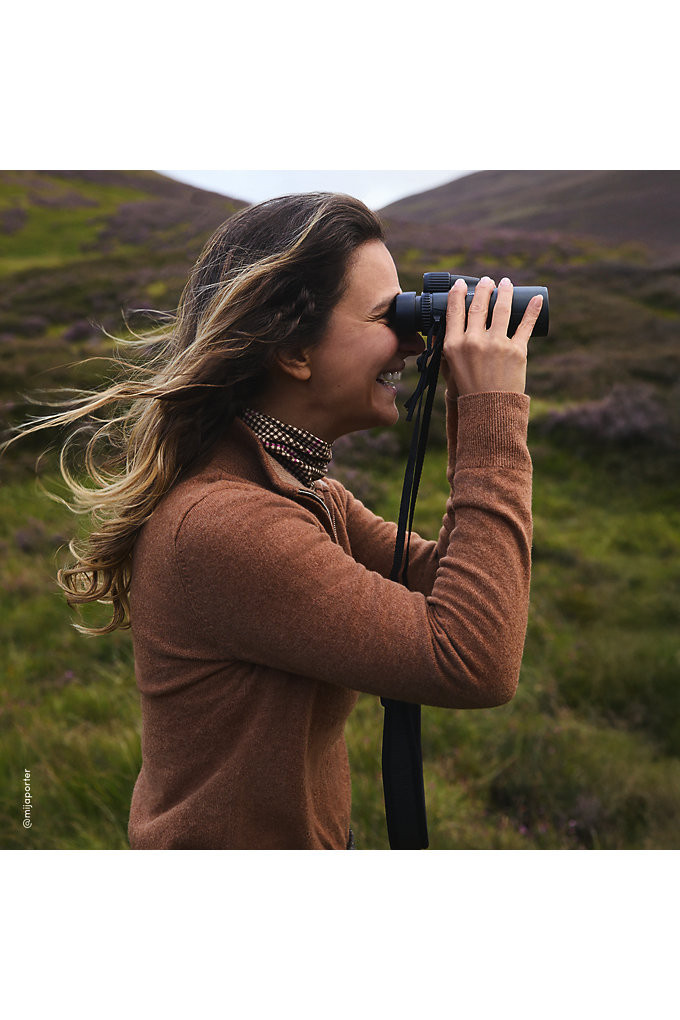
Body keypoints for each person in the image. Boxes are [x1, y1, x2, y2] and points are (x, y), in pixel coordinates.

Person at [5, 192, 543, 850]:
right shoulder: (227, 525)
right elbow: (474, 659)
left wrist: (475, 406)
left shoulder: (300, 496)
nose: (412, 338)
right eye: (388, 315)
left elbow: (467, 591)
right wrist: (493, 409)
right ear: (293, 349)